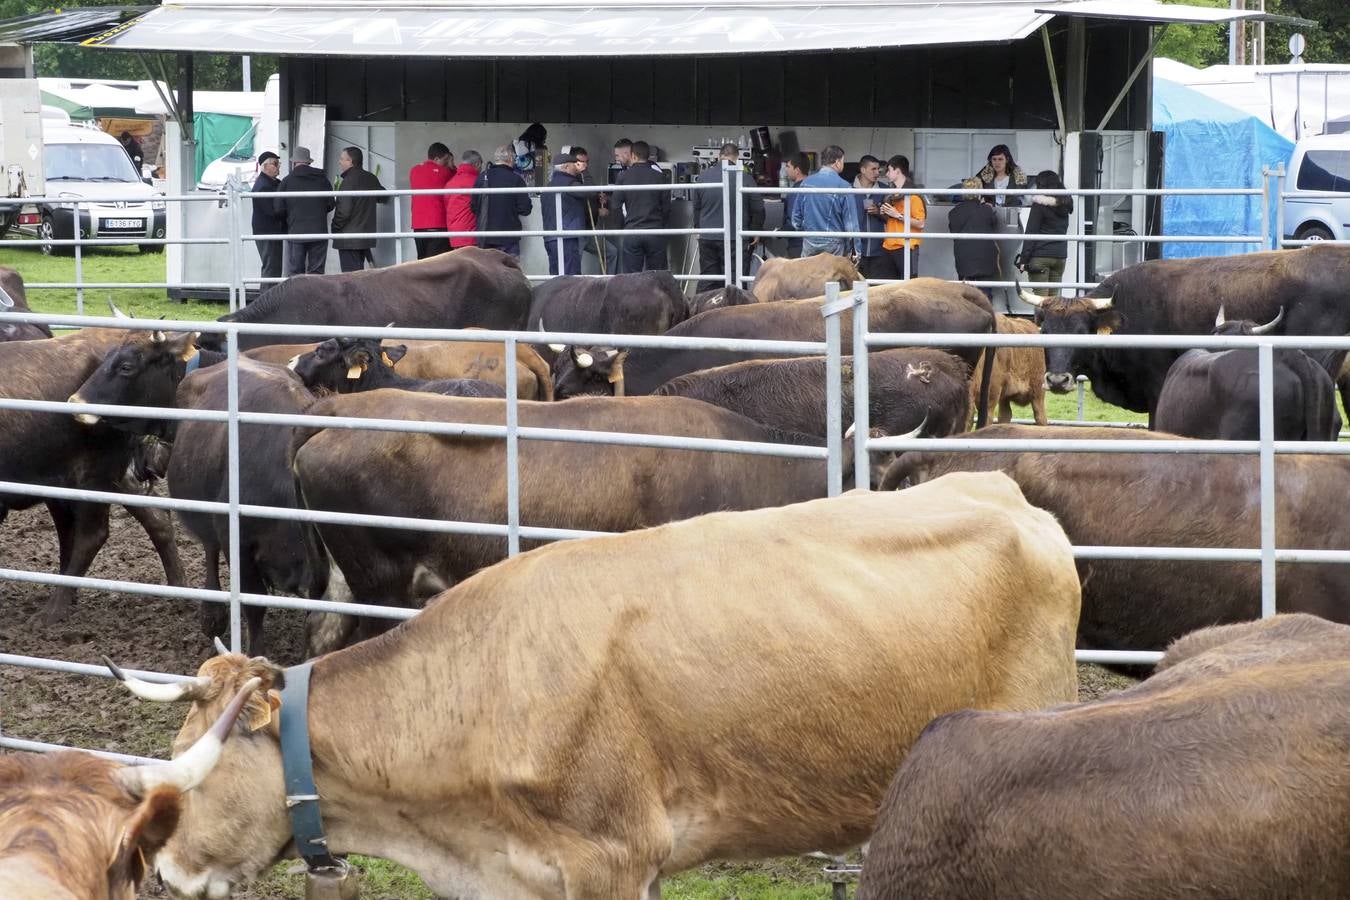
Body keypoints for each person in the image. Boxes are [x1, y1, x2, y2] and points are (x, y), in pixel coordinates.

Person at [693, 142, 765, 282]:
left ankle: (706, 303)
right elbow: (758, 208)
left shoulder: (703, 177)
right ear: (737, 158)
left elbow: (696, 207)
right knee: (734, 280)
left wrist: (698, 228)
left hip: (708, 236)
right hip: (735, 238)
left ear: (719, 157)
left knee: (709, 280)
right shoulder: (745, 178)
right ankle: (733, 304)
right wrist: (755, 231)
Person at [789, 145, 859, 259]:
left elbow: (796, 220)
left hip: (810, 240)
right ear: (837, 162)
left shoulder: (806, 183)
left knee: (809, 275)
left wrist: (808, 231)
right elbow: (851, 225)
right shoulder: (844, 186)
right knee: (832, 276)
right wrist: (856, 252)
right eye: (842, 161)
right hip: (834, 243)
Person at [611, 140, 670, 273]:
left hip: (632, 231)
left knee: (632, 276)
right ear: (648, 156)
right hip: (655, 231)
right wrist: (661, 225)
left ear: (633, 156)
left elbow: (615, 206)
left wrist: (621, 227)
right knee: (657, 275)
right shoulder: (659, 177)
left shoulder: (623, 177)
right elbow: (666, 207)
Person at [277, 146, 333, 276]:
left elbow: (278, 209)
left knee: (296, 273)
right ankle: (315, 296)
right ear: (309, 162)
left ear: (294, 162)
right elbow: (330, 204)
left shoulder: (287, 181)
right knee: (316, 273)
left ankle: (297, 297)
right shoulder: (322, 179)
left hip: (296, 231)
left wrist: (289, 219)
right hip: (319, 232)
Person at [1017, 169, 1074, 297]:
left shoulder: (1039, 205)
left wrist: (1023, 260)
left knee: (1041, 300)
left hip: (1040, 257)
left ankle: (1042, 318)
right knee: (1054, 301)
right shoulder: (1065, 204)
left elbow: (1031, 233)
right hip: (1059, 257)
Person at [330, 146, 387, 273]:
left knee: (350, 278)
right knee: (359, 276)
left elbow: (344, 211)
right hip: (365, 237)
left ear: (350, 161)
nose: (340, 161)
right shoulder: (370, 178)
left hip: (348, 239)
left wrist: (335, 228)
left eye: (342, 159)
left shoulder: (348, 181)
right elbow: (384, 197)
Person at [472, 145, 532, 257]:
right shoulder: (516, 179)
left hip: (485, 237)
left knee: (488, 272)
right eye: (514, 159)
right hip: (508, 237)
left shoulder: (481, 177)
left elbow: (474, 207)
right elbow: (526, 209)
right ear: (510, 159)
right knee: (509, 271)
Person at [875, 154, 926, 280]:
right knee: (888, 285)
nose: (886, 174)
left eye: (889, 170)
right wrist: (884, 212)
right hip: (889, 245)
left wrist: (897, 215)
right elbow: (890, 218)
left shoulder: (913, 195)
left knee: (908, 285)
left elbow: (921, 223)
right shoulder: (891, 194)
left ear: (897, 171)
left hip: (906, 246)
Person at [948, 177, 999, 298]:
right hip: (985, 259)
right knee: (985, 295)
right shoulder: (986, 210)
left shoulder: (954, 212)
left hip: (964, 258)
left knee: (966, 295)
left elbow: (953, 233)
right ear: (980, 192)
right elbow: (993, 225)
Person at [542, 147, 588, 276]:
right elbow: (590, 191)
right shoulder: (570, 184)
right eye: (575, 165)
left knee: (556, 277)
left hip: (550, 237)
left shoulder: (548, 187)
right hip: (568, 237)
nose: (577, 168)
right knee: (571, 278)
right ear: (567, 167)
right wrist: (585, 172)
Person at [409, 142, 454, 259]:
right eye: (445, 160)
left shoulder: (414, 170)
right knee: (438, 264)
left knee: (422, 262)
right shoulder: (446, 172)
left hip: (418, 225)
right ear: (436, 158)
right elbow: (457, 178)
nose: (446, 163)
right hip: (438, 224)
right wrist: (452, 166)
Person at [249, 151, 286, 281]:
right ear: (265, 166)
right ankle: (267, 297)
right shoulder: (263, 186)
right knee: (271, 267)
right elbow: (272, 211)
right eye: (275, 163)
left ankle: (270, 297)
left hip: (271, 231)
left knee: (273, 266)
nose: (278, 166)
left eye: (278, 163)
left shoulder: (271, 183)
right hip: (268, 231)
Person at [851, 154, 890, 278]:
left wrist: (878, 212)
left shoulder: (885, 190)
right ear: (862, 170)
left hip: (879, 249)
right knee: (855, 286)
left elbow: (892, 218)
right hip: (855, 249)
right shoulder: (848, 189)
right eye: (873, 169)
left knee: (875, 287)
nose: (877, 173)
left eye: (878, 169)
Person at [444, 149, 483, 250]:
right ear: (477, 164)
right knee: (473, 265)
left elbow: (447, 206)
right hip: (471, 236)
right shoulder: (477, 182)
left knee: (459, 265)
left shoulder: (450, 183)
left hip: (455, 237)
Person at [780, 152, 809, 259]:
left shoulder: (795, 191)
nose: (786, 170)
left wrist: (779, 233)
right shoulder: (814, 186)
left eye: (788, 166)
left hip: (797, 244)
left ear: (797, 170)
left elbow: (793, 221)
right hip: (813, 243)